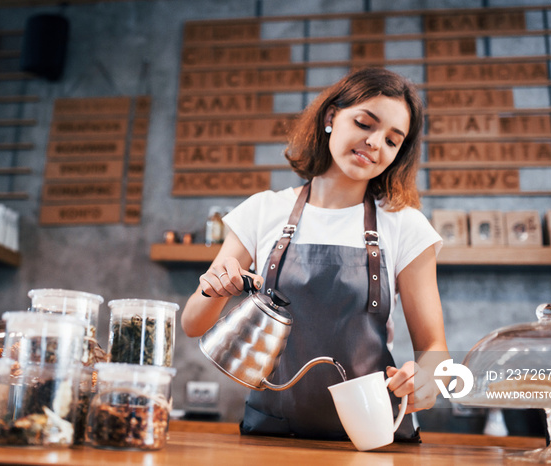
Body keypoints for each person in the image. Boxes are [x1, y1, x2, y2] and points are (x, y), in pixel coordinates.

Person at [181, 66, 449, 441]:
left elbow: (435, 348)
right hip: (274, 435)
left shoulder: (406, 226)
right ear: (330, 117)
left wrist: (428, 379)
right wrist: (214, 289)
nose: (375, 143)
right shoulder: (263, 210)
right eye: (364, 123)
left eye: (392, 140)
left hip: (372, 436)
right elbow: (193, 324)